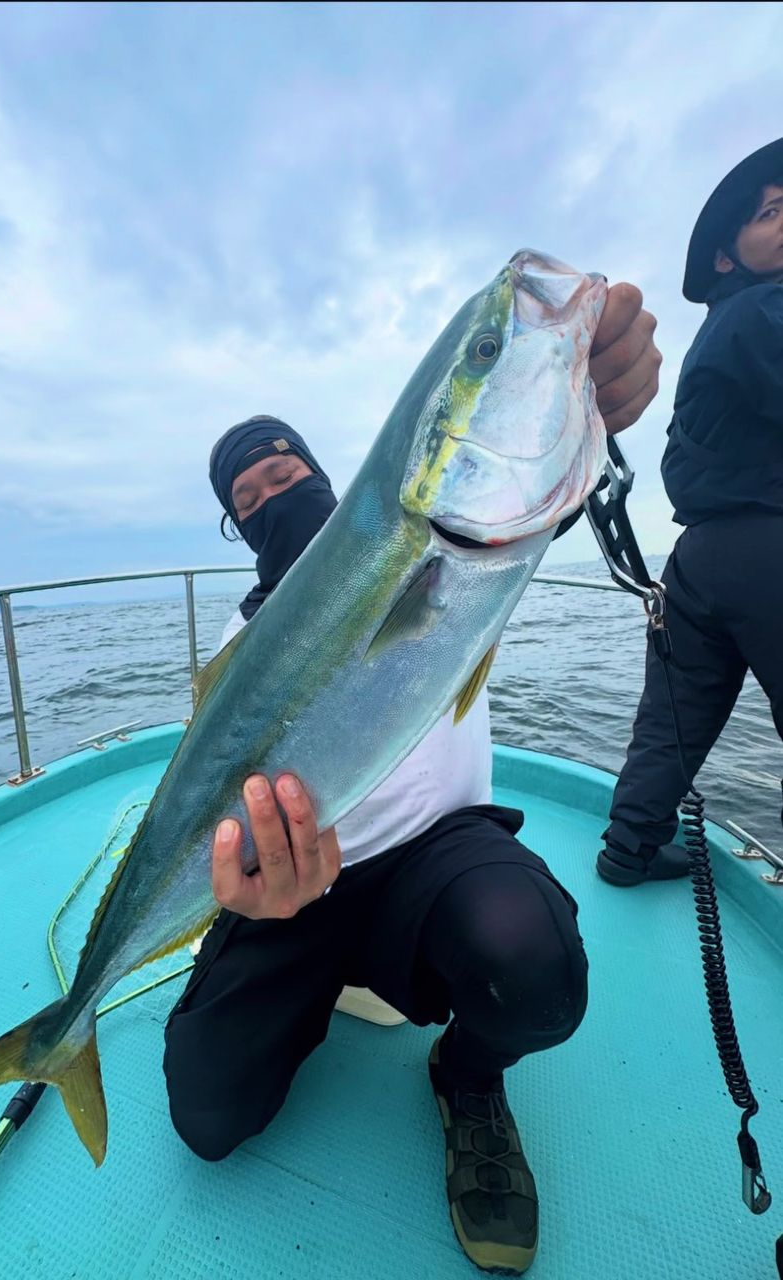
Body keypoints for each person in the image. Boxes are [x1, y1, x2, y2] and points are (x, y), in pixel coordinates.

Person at [164, 285, 663, 1275]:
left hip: (441, 849)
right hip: (298, 885)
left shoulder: (445, 542)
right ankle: (229, 969)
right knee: (208, 1113)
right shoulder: (239, 639)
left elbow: (508, 502)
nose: (269, 497)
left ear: (330, 472)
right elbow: (223, 805)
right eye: (246, 502)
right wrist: (247, 892)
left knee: (535, 966)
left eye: (283, 472)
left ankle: (467, 1073)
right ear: (233, 529)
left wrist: (587, 403)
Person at [599, 139, 783, 889]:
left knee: (668, 728)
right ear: (723, 256)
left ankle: (627, 851)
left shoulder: (722, 326)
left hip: (699, 562)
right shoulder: (768, 309)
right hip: (769, 550)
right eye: (773, 212)